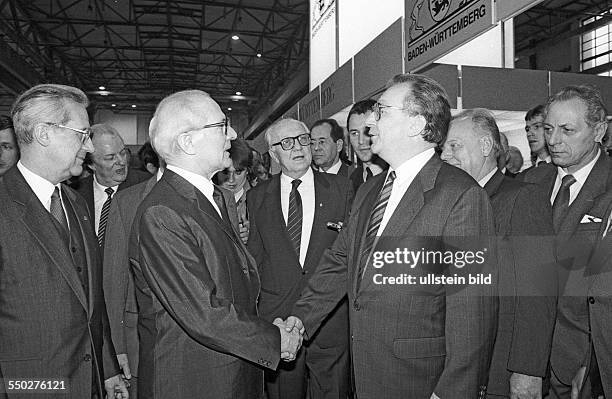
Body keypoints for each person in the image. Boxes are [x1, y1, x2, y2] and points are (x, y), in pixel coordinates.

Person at [283, 74, 498, 399]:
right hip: (366, 371)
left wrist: (453, 392)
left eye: (382, 111)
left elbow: (473, 311)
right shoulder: (371, 190)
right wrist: (300, 318)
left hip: (419, 380)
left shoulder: (460, 195)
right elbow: (341, 262)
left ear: (416, 124)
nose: (371, 122)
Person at [128, 89, 301, 399]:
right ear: (187, 141)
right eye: (222, 126)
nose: (232, 134)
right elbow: (202, 312)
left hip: (231, 370)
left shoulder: (215, 198)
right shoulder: (163, 212)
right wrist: (274, 339)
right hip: (194, 381)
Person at [0, 83, 127, 398]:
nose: (88, 147)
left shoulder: (75, 202)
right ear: (44, 134)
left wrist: (108, 367)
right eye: (82, 135)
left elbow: (91, 297)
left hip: (89, 381)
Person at [441, 108, 556, 399]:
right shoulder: (447, 203)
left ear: (485, 147)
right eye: (443, 148)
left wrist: (527, 370)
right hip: (451, 366)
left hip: (498, 368)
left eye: (454, 146)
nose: (444, 156)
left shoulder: (522, 198)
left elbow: (538, 293)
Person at [247, 118, 353, 399]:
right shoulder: (257, 197)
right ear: (273, 154)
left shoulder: (342, 189)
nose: (298, 148)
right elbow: (256, 259)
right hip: (278, 322)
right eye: (287, 143)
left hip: (330, 320)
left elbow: (349, 257)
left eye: (303, 139)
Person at [521, 85, 612, 399]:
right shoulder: (528, 184)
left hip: (583, 363)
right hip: (524, 359)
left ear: (599, 130)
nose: (553, 140)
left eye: (567, 130)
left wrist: (598, 367)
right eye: (548, 129)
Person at [72, 124, 146, 247]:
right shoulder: (74, 194)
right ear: (91, 165)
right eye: (110, 157)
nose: (121, 161)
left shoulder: (146, 187)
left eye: (123, 153)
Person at [213, 138, 253, 244]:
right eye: (225, 172)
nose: (231, 180)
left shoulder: (261, 201)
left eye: (238, 172)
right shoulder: (203, 199)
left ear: (248, 171)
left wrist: (255, 236)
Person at [346, 99, 387, 193]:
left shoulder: (394, 175)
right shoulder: (350, 181)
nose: (361, 141)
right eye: (355, 133)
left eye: (367, 131)